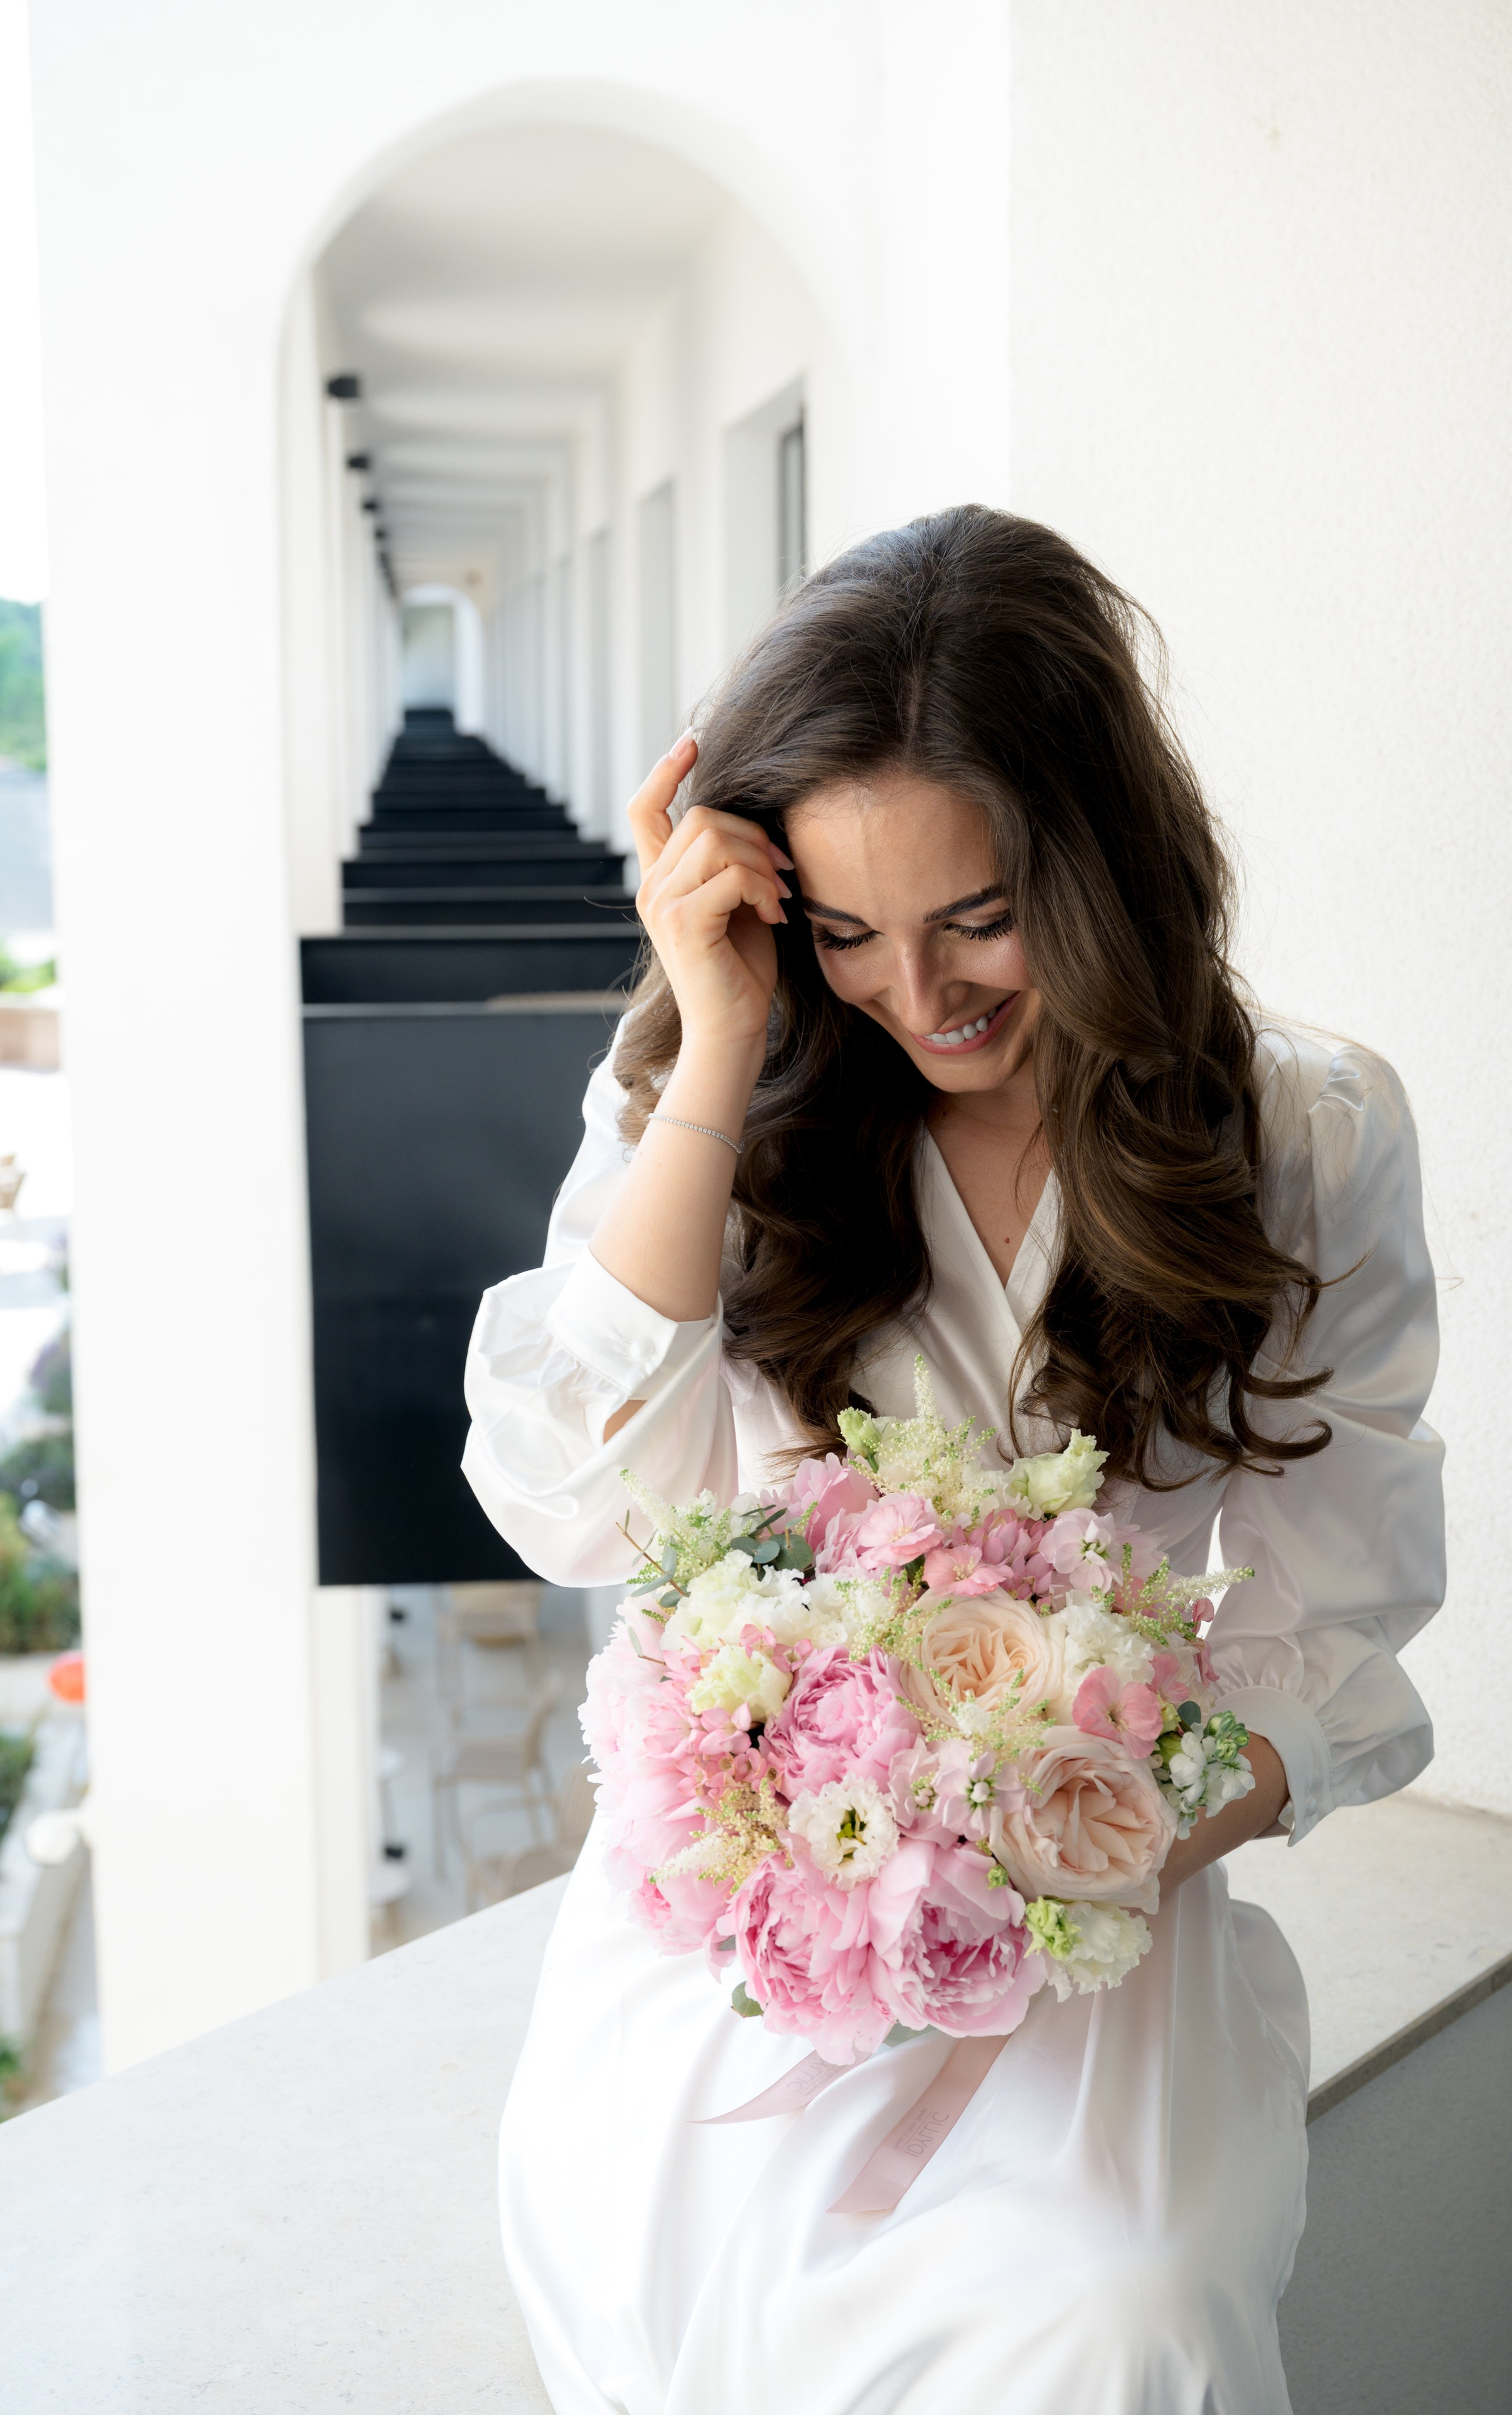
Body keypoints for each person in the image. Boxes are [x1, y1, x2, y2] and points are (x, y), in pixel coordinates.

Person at [463, 505, 1444, 2415]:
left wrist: (1070, 1843)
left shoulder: (1310, 1131)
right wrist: (721, 1047)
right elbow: (573, 1501)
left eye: (979, 917)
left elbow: (1338, 1622)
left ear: (1102, 862)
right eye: (845, 932)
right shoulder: (725, 1103)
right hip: (738, 1943)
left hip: (1098, 1916)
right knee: (696, 2281)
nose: (921, 995)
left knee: (1119, 2302)